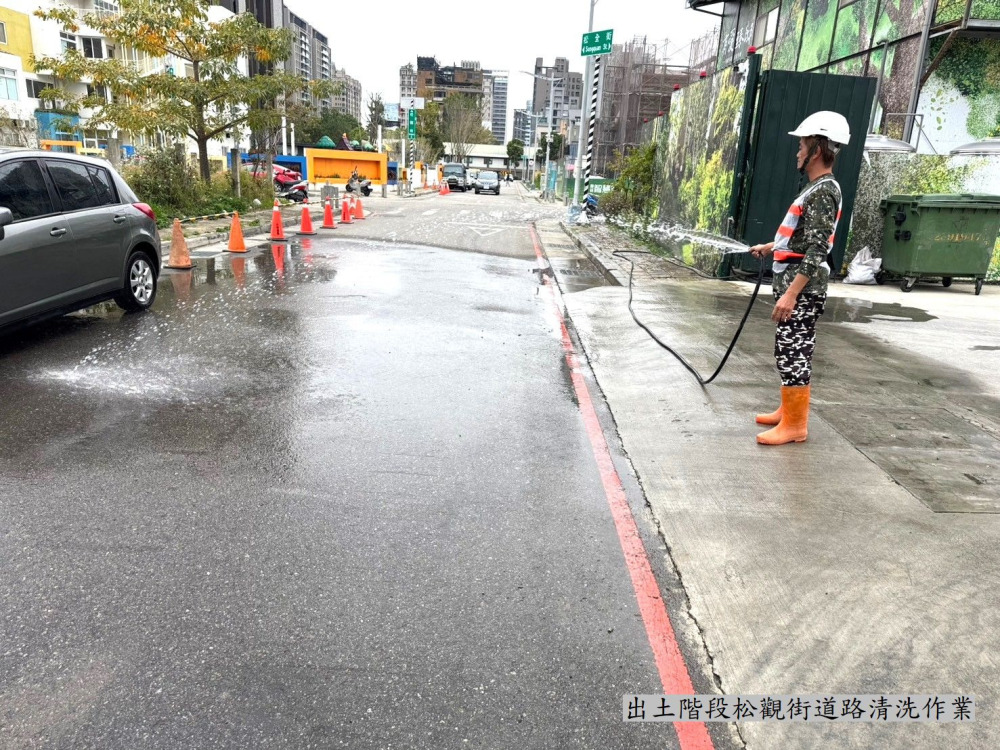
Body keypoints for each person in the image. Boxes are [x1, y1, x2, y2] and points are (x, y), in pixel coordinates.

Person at [748, 111, 849, 446]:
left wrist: (791, 294)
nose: (797, 152)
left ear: (817, 150)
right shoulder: (816, 188)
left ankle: (795, 425)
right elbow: (803, 237)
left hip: (803, 292)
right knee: (788, 349)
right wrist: (771, 246)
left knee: (794, 352)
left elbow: (819, 247)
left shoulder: (823, 191)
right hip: (798, 287)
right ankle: (788, 411)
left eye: (802, 146)